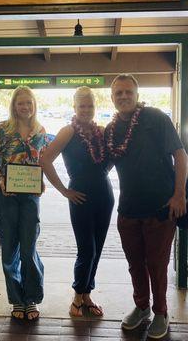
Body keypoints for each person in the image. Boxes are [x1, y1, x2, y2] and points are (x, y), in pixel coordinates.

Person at [105, 74, 187, 339]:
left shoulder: (156, 118)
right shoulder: (110, 130)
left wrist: (179, 195)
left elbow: (180, 155)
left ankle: (160, 312)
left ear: (137, 94)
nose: (124, 96)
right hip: (128, 209)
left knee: (157, 264)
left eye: (128, 91)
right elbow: (102, 164)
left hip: (160, 208)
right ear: (112, 97)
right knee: (135, 264)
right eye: (118, 93)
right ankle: (141, 307)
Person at [40, 86, 114, 317]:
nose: (86, 110)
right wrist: (64, 190)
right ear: (74, 107)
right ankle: (77, 295)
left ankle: (87, 294)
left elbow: (109, 161)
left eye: (90, 105)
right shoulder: (68, 131)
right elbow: (45, 160)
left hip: (104, 194)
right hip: (80, 195)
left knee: (98, 249)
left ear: (95, 107)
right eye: (82, 105)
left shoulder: (100, 132)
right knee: (87, 250)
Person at [0, 86, 48, 321]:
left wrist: (42, 181)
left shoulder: (40, 131)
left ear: (34, 105)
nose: (25, 107)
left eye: (29, 103)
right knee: (9, 247)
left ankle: (31, 297)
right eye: (21, 103)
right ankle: (17, 300)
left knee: (28, 247)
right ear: (14, 105)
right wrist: (0, 177)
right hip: (6, 195)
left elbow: (43, 161)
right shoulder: (2, 129)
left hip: (31, 197)